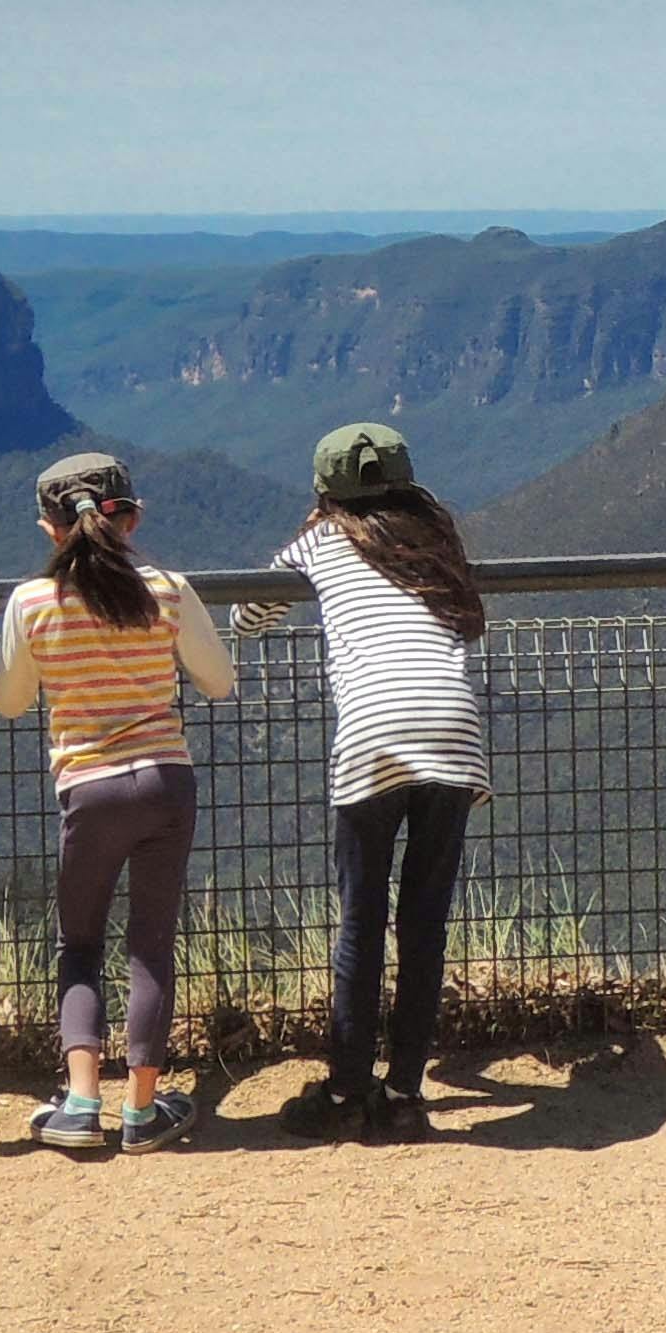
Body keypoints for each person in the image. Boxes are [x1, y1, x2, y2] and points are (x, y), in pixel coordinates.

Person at [232, 421, 491, 1137]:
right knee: (424, 924)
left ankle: (347, 1091)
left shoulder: (318, 543)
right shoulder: (438, 543)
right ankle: (405, 1095)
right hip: (454, 733)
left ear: (326, 490)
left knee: (361, 924)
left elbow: (249, 616)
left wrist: (307, 538)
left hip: (374, 737)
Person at [0, 451, 235, 1155]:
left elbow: (9, 702)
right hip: (165, 781)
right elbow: (218, 682)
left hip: (87, 789)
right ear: (130, 519)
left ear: (49, 529)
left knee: (81, 942)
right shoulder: (167, 588)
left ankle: (78, 1103)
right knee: (152, 945)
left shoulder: (32, 602)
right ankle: (142, 1110)